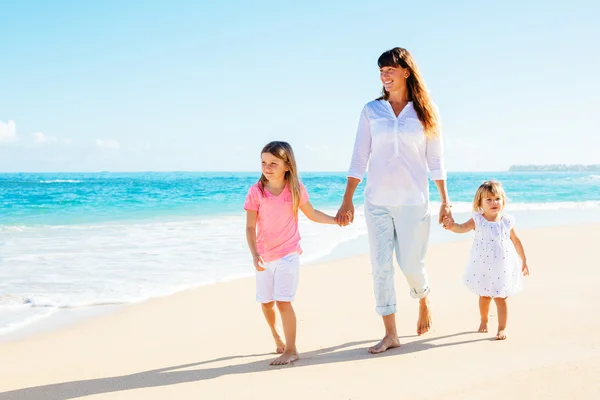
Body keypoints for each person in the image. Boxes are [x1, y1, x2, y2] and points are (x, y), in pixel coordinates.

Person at [336, 47, 452, 354]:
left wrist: (445, 201)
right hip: (377, 201)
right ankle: (390, 333)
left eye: (390, 70)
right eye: (381, 71)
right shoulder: (371, 111)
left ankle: (423, 297)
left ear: (406, 71)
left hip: (415, 200)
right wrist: (347, 198)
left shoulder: (426, 111)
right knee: (381, 266)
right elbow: (360, 155)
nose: (385, 76)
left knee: (412, 264)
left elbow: (436, 159)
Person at [244, 141, 339, 365]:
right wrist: (254, 253)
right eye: (264, 162)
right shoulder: (256, 192)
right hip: (264, 257)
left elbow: (313, 214)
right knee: (266, 302)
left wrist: (336, 221)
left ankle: (292, 349)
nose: (267, 167)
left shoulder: (295, 189)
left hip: (288, 254)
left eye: (273, 163)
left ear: (287, 165)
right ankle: (276, 335)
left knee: (283, 302)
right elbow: (250, 227)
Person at [442, 180, 529, 340]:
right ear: (480, 203)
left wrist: (523, 260)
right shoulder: (478, 220)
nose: (494, 202)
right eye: (488, 199)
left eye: (497, 198)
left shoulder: (507, 221)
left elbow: (516, 241)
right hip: (482, 265)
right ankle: (484, 319)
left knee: (501, 297)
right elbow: (461, 228)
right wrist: (451, 226)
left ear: (503, 200)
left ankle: (502, 328)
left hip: (502, 266)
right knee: (485, 296)